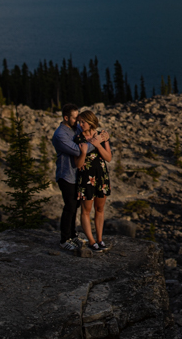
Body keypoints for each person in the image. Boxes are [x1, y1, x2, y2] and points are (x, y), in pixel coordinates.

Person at [51, 103, 94, 251]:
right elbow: (77, 151)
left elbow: (86, 136)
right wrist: (97, 142)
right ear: (66, 117)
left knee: (75, 205)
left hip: (76, 175)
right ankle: (64, 240)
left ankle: (72, 234)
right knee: (69, 206)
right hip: (66, 175)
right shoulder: (60, 135)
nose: (77, 121)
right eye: (75, 118)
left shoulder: (74, 129)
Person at [74, 110, 112, 252]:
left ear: (91, 122)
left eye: (83, 122)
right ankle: (91, 240)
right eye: (79, 122)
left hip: (101, 176)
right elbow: (78, 164)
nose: (81, 124)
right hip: (86, 178)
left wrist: (98, 144)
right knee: (86, 210)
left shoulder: (101, 136)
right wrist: (84, 152)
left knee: (100, 209)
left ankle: (100, 239)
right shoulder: (78, 139)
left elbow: (108, 157)